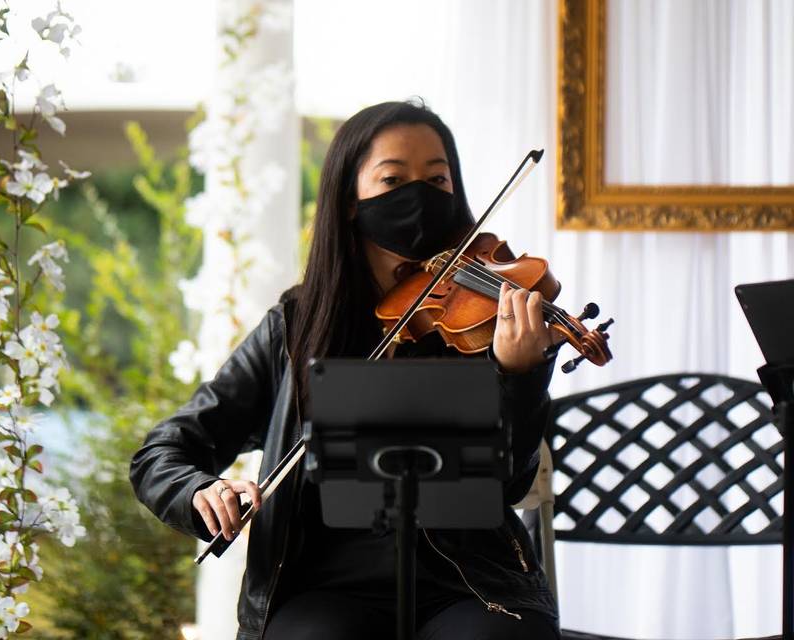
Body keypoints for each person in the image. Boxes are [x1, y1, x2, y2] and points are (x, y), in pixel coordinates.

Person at [131, 100, 560, 639]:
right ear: (351, 202)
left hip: (469, 581)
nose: (420, 195)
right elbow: (164, 450)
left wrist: (519, 377)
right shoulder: (295, 324)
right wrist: (199, 490)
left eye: (437, 178)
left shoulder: (489, 318)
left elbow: (513, 480)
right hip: (322, 586)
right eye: (393, 179)